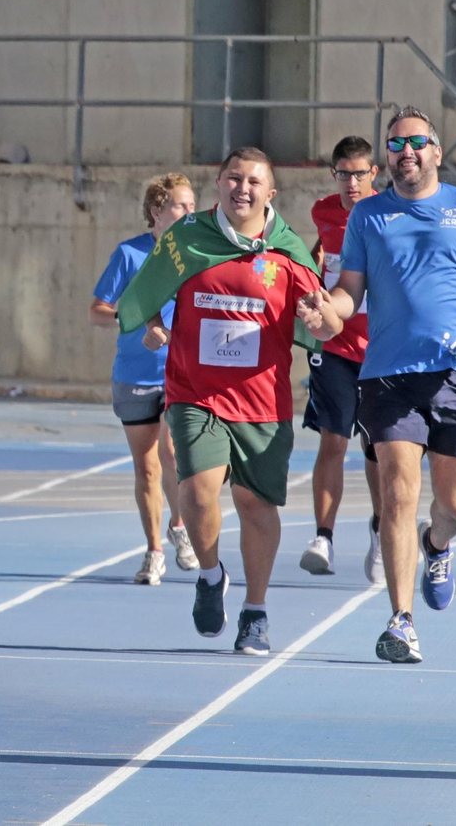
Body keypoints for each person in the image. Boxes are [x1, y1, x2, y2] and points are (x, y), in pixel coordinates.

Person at [314, 106, 456, 664]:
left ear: (436, 151)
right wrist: (327, 313)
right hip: (389, 376)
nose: (406, 152)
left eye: (416, 142)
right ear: (386, 158)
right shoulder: (367, 216)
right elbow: (349, 291)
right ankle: (401, 620)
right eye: (395, 145)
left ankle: (437, 544)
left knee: (455, 506)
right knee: (397, 494)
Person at [117, 147, 331, 656]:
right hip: (196, 393)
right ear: (218, 184)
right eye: (234, 178)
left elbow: (325, 323)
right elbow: (145, 293)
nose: (243, 189)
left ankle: (255, 611)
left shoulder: (286, 250)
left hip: (262, 402)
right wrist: (152, 325)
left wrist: (321, 320)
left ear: (270, 193)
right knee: (196, 493)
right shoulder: (187, 239)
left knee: (255, 504)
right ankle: (210, 575)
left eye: (254, 182)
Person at [90, 173, 201, 584]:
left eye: (193, 205)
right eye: (181, 206)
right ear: (157, 211)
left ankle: (180, 526)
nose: (190, 212)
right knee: (147, 469)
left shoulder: (197, 254)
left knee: (172, 454)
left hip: (180, 373)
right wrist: (135, 318)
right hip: (135, 373)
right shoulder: (130, 254)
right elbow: (97, 311)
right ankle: (154, 549)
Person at [298, 136, 385, 583]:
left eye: (359, 174)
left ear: (374, 174)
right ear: (333, 175)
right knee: (332, 441)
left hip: (382, 351)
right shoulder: (323, 211)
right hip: (333, 346)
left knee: (378, 450)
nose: (351, 183)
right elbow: (318, 256)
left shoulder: (391, 212)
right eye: (343, 174)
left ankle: (380, 531)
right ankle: (323, 538)